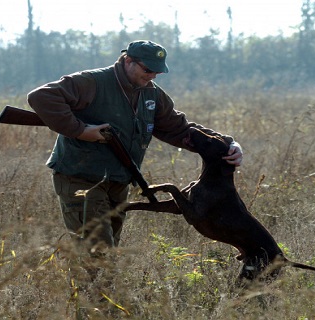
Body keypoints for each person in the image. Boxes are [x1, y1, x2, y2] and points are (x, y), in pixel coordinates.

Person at [27, 40, 243, 253]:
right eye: (148, 69)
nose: (152, 76)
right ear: (128, 60)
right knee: (97, 253)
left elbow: (180, 129)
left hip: (119, 182)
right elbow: (42, 96)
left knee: (104, 253)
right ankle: (92, 288)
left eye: (157, 72)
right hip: (81, 178)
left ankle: (95, 289)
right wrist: (81, 130)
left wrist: (228, 144)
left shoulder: (152, 94)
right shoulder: (93, 81)